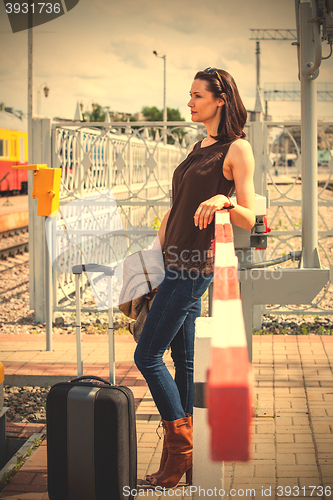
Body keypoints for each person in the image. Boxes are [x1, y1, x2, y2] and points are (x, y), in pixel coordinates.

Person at [134, 68, 255, 489]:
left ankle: (179, 448)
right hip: (170, 260)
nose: (189, 103)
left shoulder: (237, 149)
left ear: (220, 99)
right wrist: (152, 254)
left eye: (197, 95)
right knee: (181, 361)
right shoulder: (196, 145)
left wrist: (225, 198)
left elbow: (250, 216)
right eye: (189, 95)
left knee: (146, 357)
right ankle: (184, 460)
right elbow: (177, 207)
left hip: (193, 268)